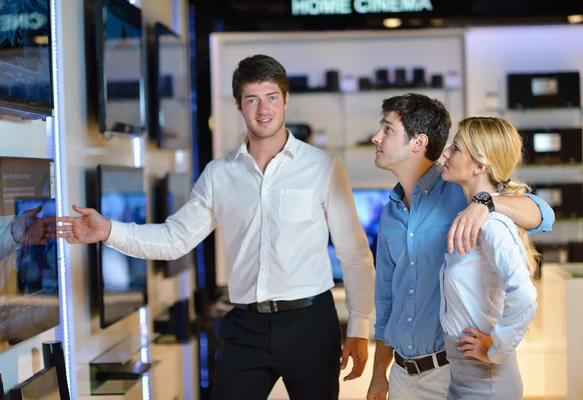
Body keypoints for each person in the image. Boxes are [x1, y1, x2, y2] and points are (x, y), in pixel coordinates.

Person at [50, 54, 375, 400]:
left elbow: (354, 254)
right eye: (252, 99)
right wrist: (108, 231)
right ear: (238, 105)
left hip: (310, 323)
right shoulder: (219, 174)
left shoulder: (322, 166)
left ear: (285, 99)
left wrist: (358, 325)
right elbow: (175, 239)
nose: (263, 110)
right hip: (245, 327)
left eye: (271, 98)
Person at [366, 94, 554, 400]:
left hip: (448, 370)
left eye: (387, 129)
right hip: (401, 375)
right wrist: (379, 374)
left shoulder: (461, 191)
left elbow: (544, 214)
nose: (376, 137)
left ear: (417, 142)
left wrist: (487, 203)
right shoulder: (389, 213)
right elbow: (387, 298)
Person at [439, 117, 538, 398]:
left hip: (487, 380)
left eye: (455, 148)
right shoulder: (469, 215)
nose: (445, 153)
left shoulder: (491, 224)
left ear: (480, 165)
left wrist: (496, 349)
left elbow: (525, 296)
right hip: (462, 372)